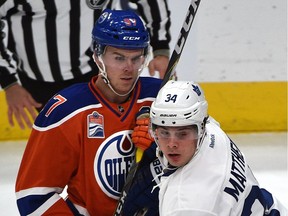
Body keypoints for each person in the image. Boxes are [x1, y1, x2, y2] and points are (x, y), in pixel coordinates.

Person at [15, 9, 163, 215]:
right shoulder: (66, 111)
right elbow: (33, 195)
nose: (128, 68)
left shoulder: (161, 97)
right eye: (119, 58)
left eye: (136, 58)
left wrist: (162, 144)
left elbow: (208, 154)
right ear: (97, 55)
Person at [0, 0, 171, 129]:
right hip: (38, 83)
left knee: (106, 143)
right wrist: (9, 83)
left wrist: (161, 48)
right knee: (64, 153)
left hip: (95, 75)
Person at [148, 80, 287, 215]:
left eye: (182, 134)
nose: (171, 144)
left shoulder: (186, 206)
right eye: (164, 132)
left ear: (201, 128)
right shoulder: (212, 131)